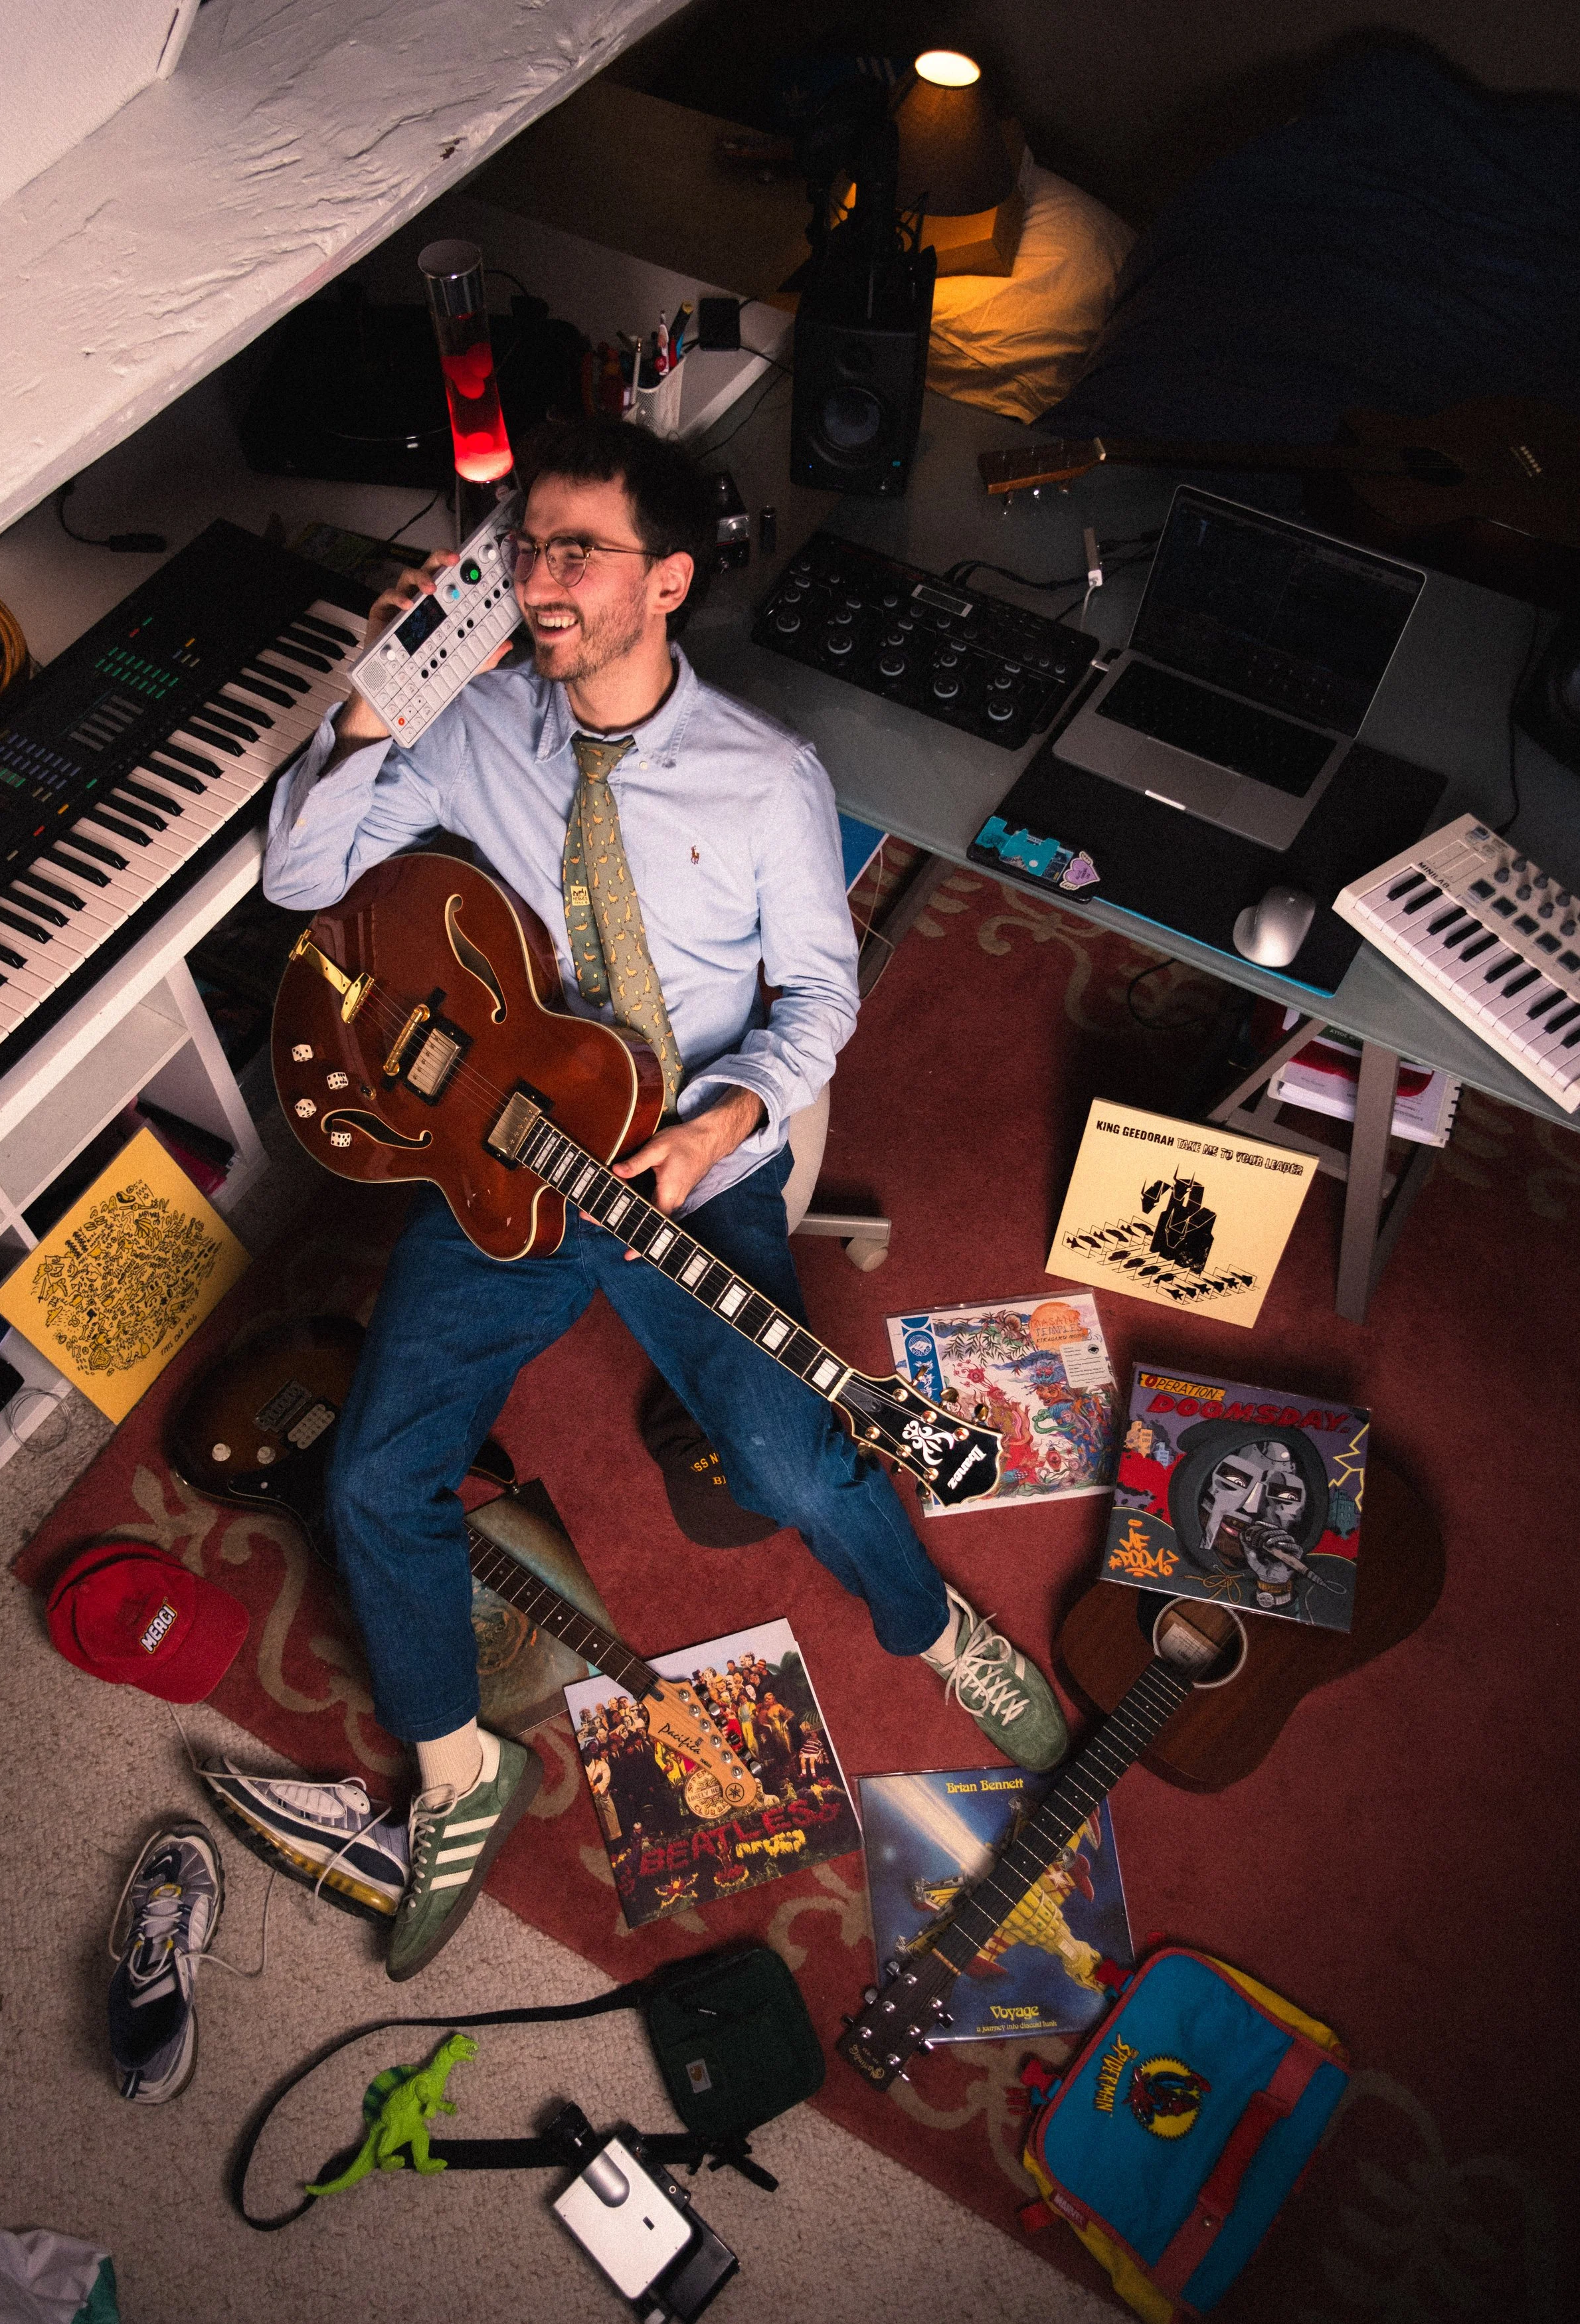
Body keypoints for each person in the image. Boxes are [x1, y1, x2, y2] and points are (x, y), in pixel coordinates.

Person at [262, 417, 1067, 1982]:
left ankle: (927, 1625)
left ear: (667, 582)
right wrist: (375, 700)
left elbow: (818, 999)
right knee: (372, 1476)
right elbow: (304, 882)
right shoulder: (469, 724)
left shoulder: (765, 780)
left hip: (689, 1161)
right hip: (509, 1159)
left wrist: (714, 1133)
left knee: (789, 1457)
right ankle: (454, 1768)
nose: (536, 582)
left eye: (575, 552)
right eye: (523, 549)